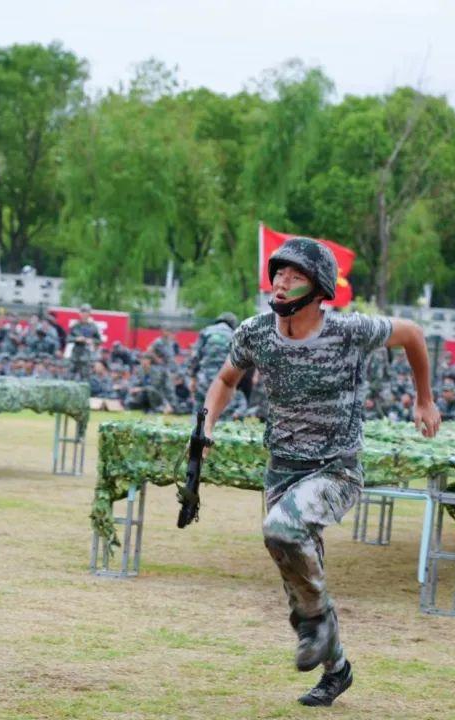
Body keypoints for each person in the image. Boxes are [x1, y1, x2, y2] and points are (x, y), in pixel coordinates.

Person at [200, 237, 440, 708]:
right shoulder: (255, 333)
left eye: (296, 276)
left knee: (282, 529)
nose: (283, 282)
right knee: (299, 579)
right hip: (282, 470)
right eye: (280, 274)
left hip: (336, 471)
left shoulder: (349, 332)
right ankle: (339, 669)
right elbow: (227, 379)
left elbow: (412, 333)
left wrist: (424, 398)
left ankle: (320, 627)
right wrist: (205, 424)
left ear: (318, 289)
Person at [187, 311, 238, 415]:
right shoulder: (234, 335)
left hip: (203, 379)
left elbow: (195, 357)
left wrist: (192, 378)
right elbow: (237, 363)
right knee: (222, 414)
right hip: (223, 381)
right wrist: (233, 386)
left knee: (199, 412)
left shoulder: (206, 331)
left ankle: (198, 430)